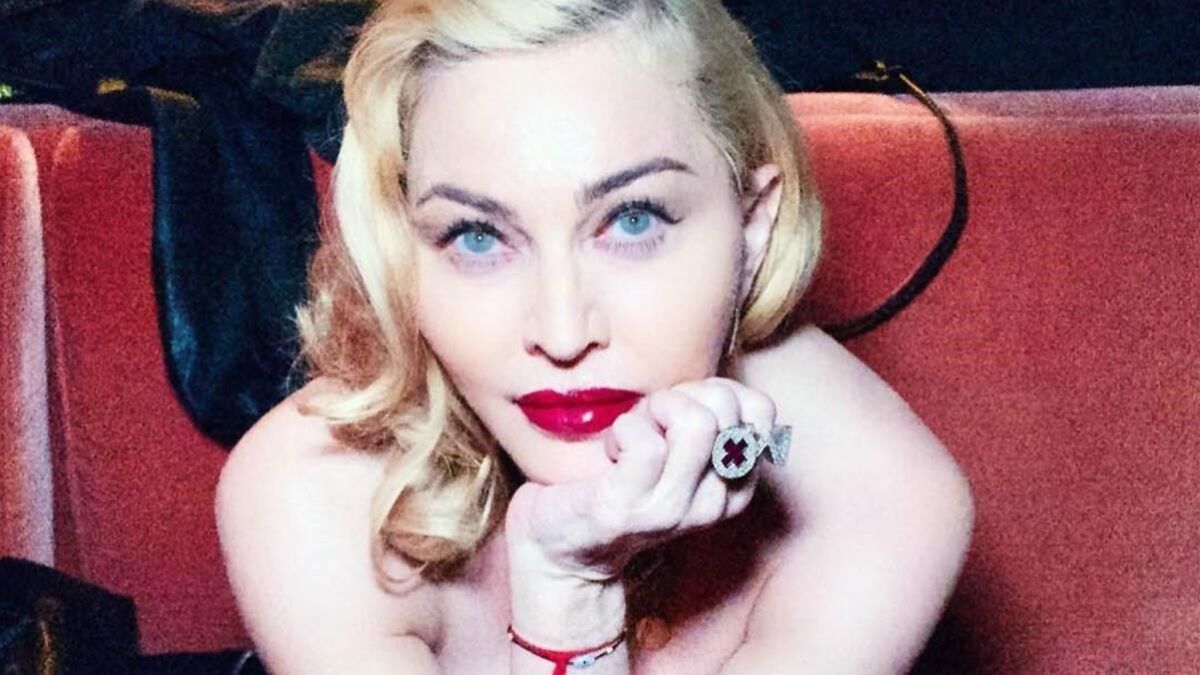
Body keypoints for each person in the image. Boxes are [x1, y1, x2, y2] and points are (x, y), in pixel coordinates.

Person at [215, 1, 974, 673]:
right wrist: (568, 595)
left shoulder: (879, 501)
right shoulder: (313, 495)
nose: (562, 332)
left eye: (633, 220)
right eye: (478, 235)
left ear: (752, 226)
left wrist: (573, 589)